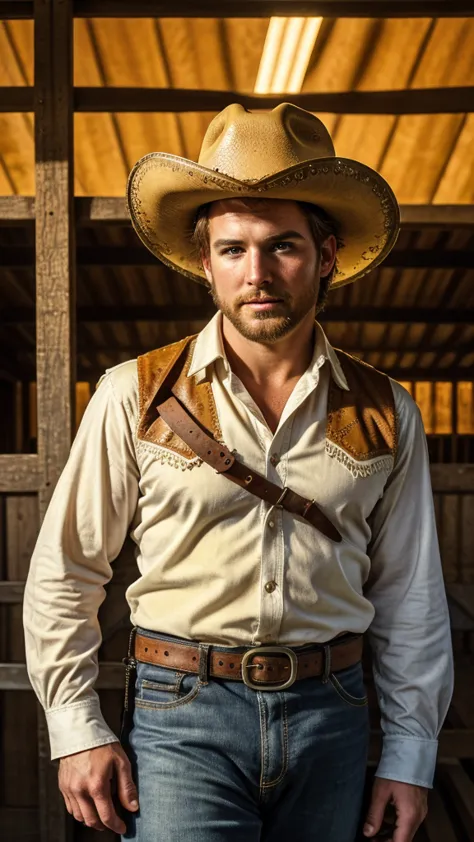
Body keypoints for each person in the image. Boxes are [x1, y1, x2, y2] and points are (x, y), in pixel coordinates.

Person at [24, 103, 453, 842]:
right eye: (232, 249)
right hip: (179, 710)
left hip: (335, 712)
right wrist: (77, 726)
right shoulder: (136, 394)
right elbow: (67, 571)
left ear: (326, 255)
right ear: (204, 262)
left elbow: (409, 595)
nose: (256, 273)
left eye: (282, 246)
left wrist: (411, 755)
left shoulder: (387, 409)